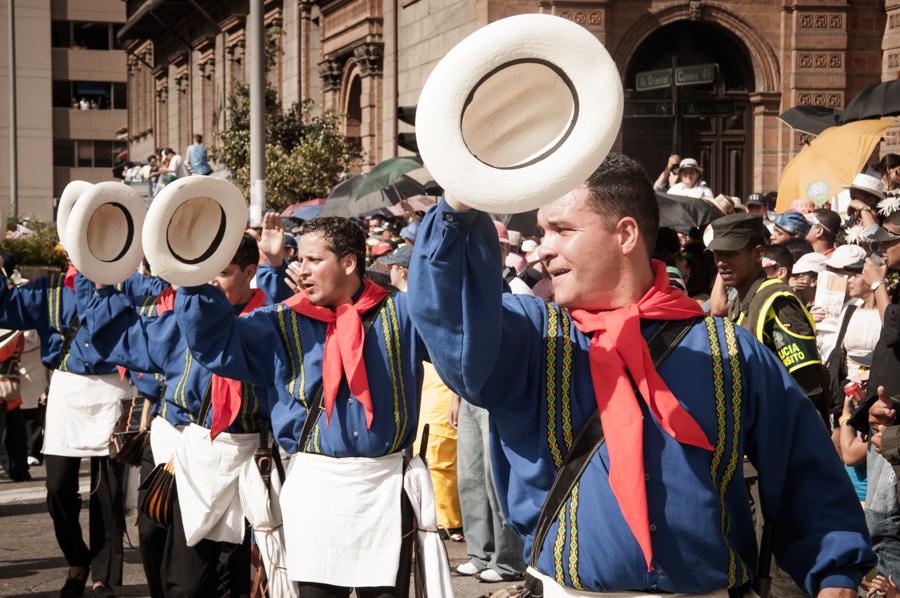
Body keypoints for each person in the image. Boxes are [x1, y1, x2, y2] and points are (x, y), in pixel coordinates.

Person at [408, 153, 874, 596]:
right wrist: (458, 200)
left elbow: (803, 469)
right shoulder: (535, 339)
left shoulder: (729, 351)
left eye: (562, 230)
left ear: (626, 234)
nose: (542, 251)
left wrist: (834, 569)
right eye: (542, 232)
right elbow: (451, 315)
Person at [174, 217, 426, 598]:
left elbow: (461, 337)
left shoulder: (403, 314)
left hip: (384, 489)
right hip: (314, 489)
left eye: (312, 260)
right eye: (299, 260)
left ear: (348, 263)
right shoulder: (281, 321)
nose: (302, 271)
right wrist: (193, 276)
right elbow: (217, 345)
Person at [76, 234, 274, 598]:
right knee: (153, 535)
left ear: (250, 272)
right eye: (206, 272)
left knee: (221, 571)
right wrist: (101, 284)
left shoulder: (273, 323)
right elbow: (126, 338)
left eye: (224, 272)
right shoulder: (179, 322)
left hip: (242, 456)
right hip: (175, 446)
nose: (211, 281)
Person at [0, 264, 133, 597]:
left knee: (108, 491)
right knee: (57, 486)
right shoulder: (51, 289)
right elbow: (4, 308)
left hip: (113, 388)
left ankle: (104, 577)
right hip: (66, 389)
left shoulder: (129, 284)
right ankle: (77, 559)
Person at [710, 213, 832, 425]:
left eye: (730, 253)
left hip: (779, 435)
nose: (721, 263)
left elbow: (808, 384)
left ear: (757, 254)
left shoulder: (777, 300)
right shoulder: (740, 299)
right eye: (717, 254)